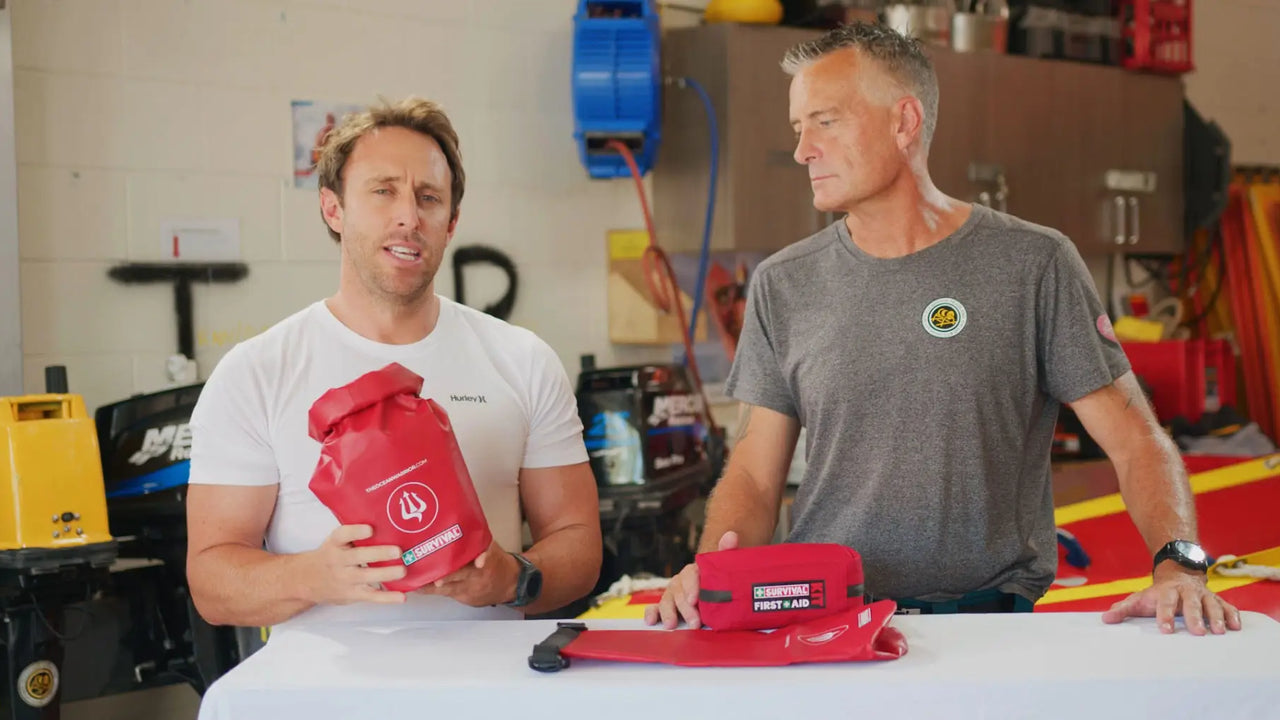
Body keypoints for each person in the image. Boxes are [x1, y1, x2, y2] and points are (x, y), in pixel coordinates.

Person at [646, 23, 1241, 636]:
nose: (802, 150)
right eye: (799, 128)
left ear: (904, 122)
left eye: (825, 122)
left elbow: (1135, 441)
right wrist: (711, 574)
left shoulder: (1034, 264)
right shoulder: (783, 284)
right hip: (828, 624)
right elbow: (753, 471)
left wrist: (1180, 568)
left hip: (991, 628)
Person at [186, 97, 601, 628]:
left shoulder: (522, 360)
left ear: (451, 223)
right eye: (383, 191)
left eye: (429, 198)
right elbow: (211, 582)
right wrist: (313, 576)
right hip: (320, 680)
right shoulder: (256, 373)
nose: (409, 216)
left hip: (489, 676)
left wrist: (511, 579)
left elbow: (577, 543)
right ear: (333, 208)